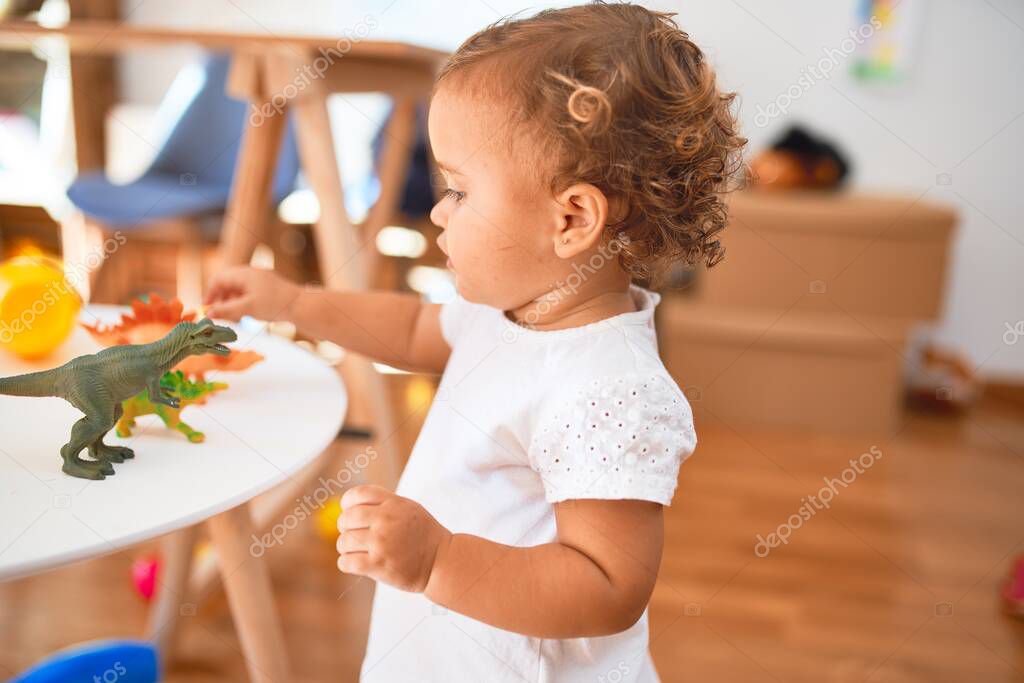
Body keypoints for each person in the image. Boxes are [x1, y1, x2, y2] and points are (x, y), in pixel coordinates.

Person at [205, 3, 745, 680]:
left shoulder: (609, 388)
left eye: (459, 189)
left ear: (571, 217)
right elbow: (410, 329)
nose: (437, 210)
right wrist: (294, 302)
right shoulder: (509, 308)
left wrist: (437, 559)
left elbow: (609, 585)